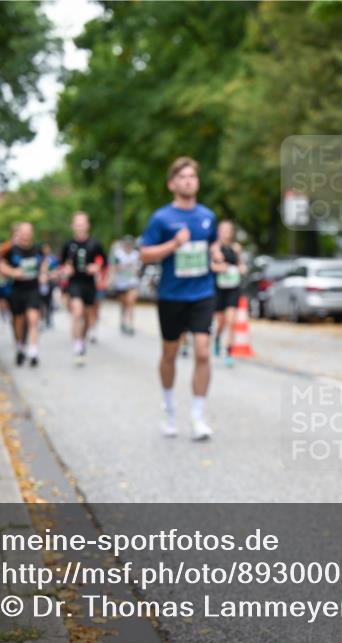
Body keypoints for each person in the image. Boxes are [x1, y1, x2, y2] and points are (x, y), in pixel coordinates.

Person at [140, 156, 217, 441]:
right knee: (170, 353)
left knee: (202, 351)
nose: (189, 181)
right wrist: (174, 244)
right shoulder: (161, 218)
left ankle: (197, 416)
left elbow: (212, 248)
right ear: (172, 183)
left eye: (193, 177)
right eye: (183, 177)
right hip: (172, 295)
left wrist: (216, 254)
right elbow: (145, 254)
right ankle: (169, 407)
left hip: (202, 293)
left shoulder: (207, 216)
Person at [0, 222, 48, 367]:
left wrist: (43, 273)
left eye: (28, 232)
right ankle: (20, 346)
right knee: (18, 322)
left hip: (33, 289)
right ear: (19, 233)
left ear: (32, 233)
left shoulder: (38, 249)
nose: (26, 235)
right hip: (17, 290)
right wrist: (13, 272)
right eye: (23, 232)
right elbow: (1, 265)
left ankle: (33, 351)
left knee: (33, 319)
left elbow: (44, 263)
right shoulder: (11, 250)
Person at [60, 212, 107, 365]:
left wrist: (96, 267)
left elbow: (104, 263)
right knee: (77, 312)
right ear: (73, 226)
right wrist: (65, 269)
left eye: (82, 224)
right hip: (74, 283)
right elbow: (61, 264)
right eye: (77, 224)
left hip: (89, 284)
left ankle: (82, 338)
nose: (80, 227)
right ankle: (78, 347)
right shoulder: (68, 245)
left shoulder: (95, 243)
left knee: (87, 318)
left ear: (87, 225)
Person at [210, 220, 247, 367]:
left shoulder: (236, 248)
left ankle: (229, 352)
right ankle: (218, 338)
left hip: (233, 287)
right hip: (219, 289)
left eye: (228, 230)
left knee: (231, 321)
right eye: (223, 229)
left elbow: (239, 264)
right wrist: (219, 267)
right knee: (221, 323)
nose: (226, 232)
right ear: (219, 231)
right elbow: (211, 266)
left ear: (232, 232)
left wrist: (242, 268)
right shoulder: (214, 248)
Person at [111, 236, 142, 335]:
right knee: (124, 304)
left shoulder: (136, 255)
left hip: (132, 282)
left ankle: (130, 324)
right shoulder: (118, 254)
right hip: (121, 283)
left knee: (131, 303)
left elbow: (139, 268)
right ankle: (123, 321)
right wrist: (125, 267)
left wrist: (135, 270)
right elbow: (115, 267)